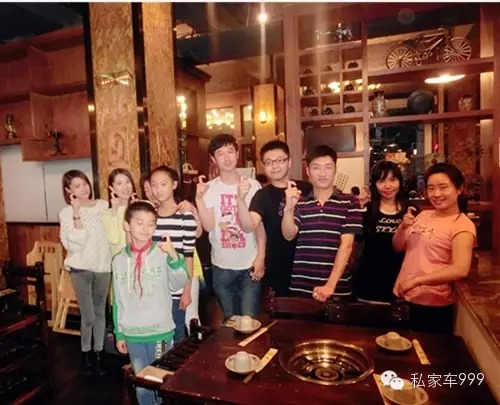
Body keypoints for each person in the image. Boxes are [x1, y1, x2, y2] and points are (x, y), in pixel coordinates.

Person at [112, 201, 190, 405]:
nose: (146, 229)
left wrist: (174, 256)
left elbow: (180, 282)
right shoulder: (118, 260)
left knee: (161, 382)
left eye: (151, 224)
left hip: (161, 332)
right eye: (139, 223)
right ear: (127, 225)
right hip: (133, 334)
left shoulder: (163, 253)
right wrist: (119, 333)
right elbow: (118, 300)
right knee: (142, 385)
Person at [393, 163, 476, 334]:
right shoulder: (423, 215)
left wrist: (416, 281)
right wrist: (402, 227)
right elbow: (398, 247)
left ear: (459, 189)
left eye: (443, 187)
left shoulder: (462, 225)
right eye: (431, 188)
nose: (436, 194)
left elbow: (460, 269)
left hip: (432, 305)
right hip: (403, 296)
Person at [196, 133, 266, 320]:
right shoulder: (209, 188)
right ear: (213, 159)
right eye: (220, 153)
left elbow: (259, 227)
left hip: (249, 265)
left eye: (230, 151)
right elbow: (209, 226)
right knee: (230, 323)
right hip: (222, 267)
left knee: (249, 321)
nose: (226, 158)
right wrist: (199, 200)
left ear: (237, 154)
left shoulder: (253, 186)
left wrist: (261, 258)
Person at [281, 145, 363, 302]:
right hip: (301, 287)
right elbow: (289, 235)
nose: (322, 173)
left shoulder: (350, 202)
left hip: (336, 289)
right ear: (308, 171)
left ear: (335, 169)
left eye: (328, 167)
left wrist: (330, 286)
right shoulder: (301, 202)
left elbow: (346, 246)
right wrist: (289, 208)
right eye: (316, 168)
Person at [237, 140, 311, 297]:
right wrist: (240, 200)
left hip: (309, 265)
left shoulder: (306, 189)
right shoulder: (262, 195)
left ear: (289, 162)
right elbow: (249, 226)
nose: (274, 166)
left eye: (280, 160)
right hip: (278, 267)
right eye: (269, 162)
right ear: (263, 166)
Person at [58, 170, 112, 376]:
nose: (84, 188)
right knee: (88, 315)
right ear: (68, 191)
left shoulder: (103, 206)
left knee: (100, 313)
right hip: (80, 268)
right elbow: (74, 244)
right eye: (77, 186)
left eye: (85, 183)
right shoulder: (66, 213)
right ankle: (85, 353)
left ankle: (98, 354)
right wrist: (76, 212)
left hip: (103, 266)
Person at [149, 165, 202, 343]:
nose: (158, 190)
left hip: (177, 287)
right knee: (159, 334)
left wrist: (187, 291)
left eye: (163, 184)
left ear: (174, 184)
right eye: (154, 185)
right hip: (156, 288)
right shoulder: (150, 217)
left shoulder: (184, 216)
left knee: (177, 333)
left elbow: (189, 256)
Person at [355, 161, 416, 305]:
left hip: (403, 284)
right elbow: (355, 240)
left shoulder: (411, 210)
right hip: (369, 284)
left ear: (400, 181)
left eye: (393, 180)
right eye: (381, 181)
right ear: (374, 184)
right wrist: (358, 209)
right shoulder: (367, 210)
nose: (388, 186)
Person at [102, 168, 138, 255]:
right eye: (119, 183)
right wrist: (114, 211)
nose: (125, 187)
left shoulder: (143, 206)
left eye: (128, 182)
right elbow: (113, 239)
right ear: (112, 188)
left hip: (141, 258)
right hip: (119, 259)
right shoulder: (107, 213)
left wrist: (136, 210)